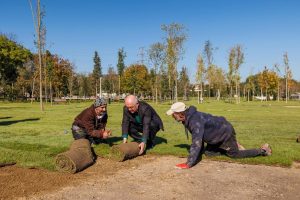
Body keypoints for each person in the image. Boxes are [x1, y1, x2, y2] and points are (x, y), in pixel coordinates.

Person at [166, 102, 272, 169]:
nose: (173, 116)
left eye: (173, 114)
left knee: (235, 155)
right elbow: (200, 139)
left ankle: (263, 151)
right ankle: (230, 145)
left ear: (180, 113)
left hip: (225, 132)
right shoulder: (188, 118)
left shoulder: (194, 121)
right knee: (208, 153)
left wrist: (189, 163)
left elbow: (196, 143)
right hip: (216, 135)